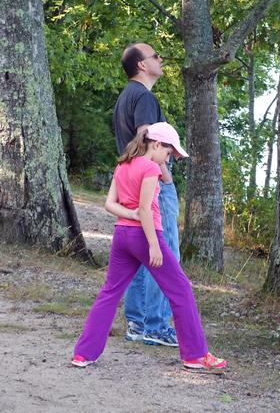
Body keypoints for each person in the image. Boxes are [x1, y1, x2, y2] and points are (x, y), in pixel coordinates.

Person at [71, 123, 227, 372]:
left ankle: (83, 354)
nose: (168, 159)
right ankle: (196, 355)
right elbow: (145, 210)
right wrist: (153, 245)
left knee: (110, 293)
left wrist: (130, 215)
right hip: (146, 235)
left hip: (122, 236)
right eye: (168, 153)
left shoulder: (122, 164)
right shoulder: (150, 167)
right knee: (181, 289)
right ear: (156, 144)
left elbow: (110, 204)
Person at [113, 42, 180, 346]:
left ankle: (138, 324)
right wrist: (164, 176)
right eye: (155, 55)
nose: (160, 58)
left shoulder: (125, 97)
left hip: (132, 185)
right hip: (151, 186)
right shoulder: (144, 97)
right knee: (164, 254)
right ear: (142, 65)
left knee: (141, 255)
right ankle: (156, 326)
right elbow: (146, 137)